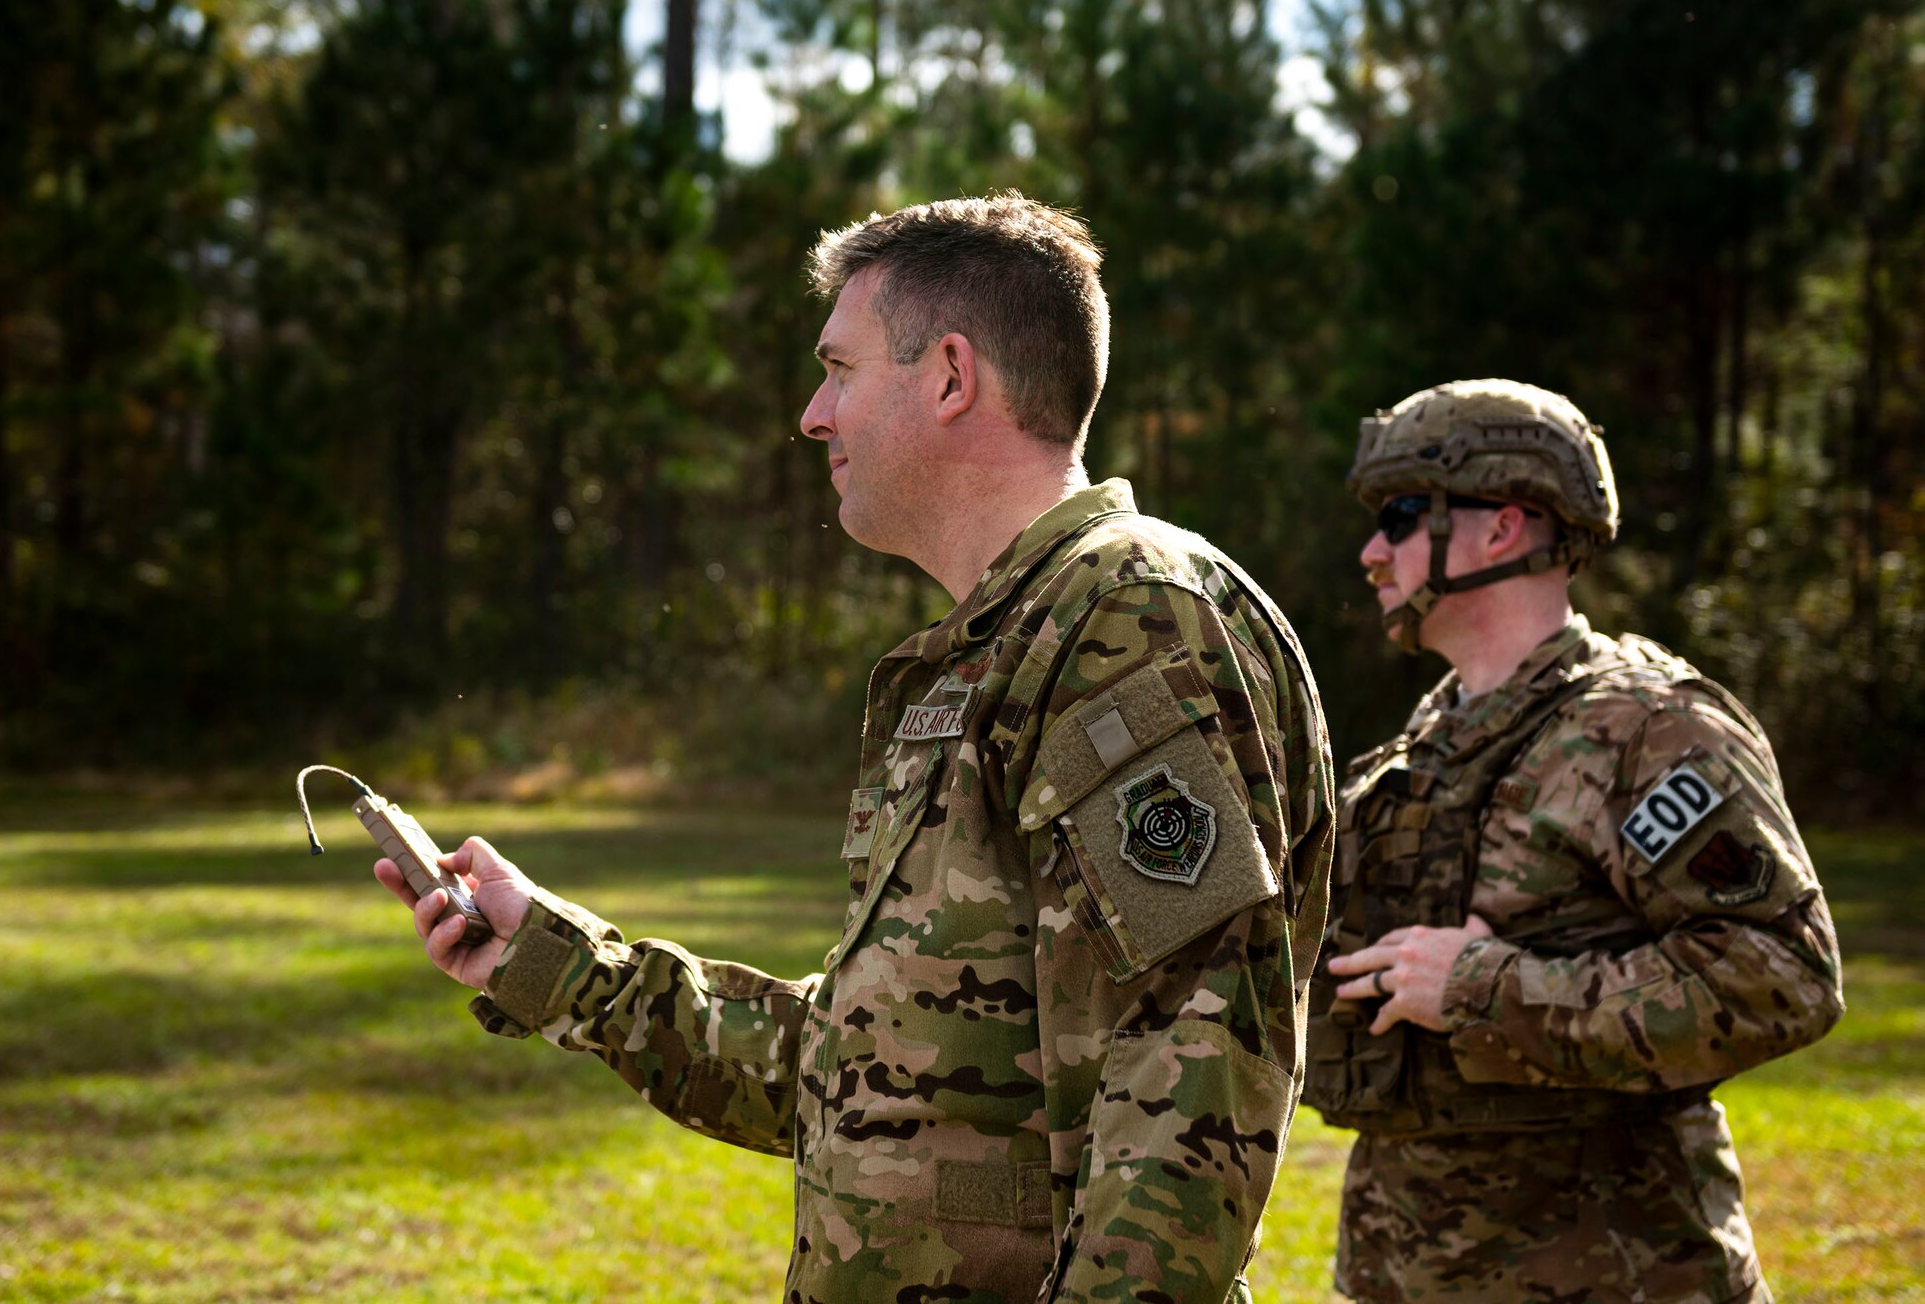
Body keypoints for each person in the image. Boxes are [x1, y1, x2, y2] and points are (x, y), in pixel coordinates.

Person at [375, 193, 1335, 1303]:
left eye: (837, 367)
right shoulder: (998, 644)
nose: (809, 414)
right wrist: (556, 963)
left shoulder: (1124, 618)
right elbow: (857, 1072)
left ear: (947, 376)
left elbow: (1194, 1068)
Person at [1310, 378, 1845, 1303]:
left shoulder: (1646, 727)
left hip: (1615, 1274)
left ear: (1506, 526)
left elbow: (1782, 974)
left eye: (1400, 515)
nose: (1370, 551)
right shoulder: (1432, 739)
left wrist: (1483, 987)